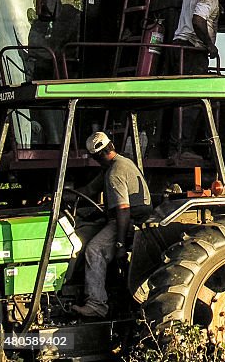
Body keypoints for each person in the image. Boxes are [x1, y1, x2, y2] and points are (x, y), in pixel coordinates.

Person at [71, 132, 153, 318]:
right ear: (111, 145)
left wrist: (120, 244)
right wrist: (60, 196)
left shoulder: (115, 173)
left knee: (94, 249)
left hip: (131, 220)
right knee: (84, 227)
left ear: (96, 157)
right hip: (122, 217)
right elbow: (90, 190)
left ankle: (96, 304)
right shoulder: (118, 164)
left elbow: (123, 210)